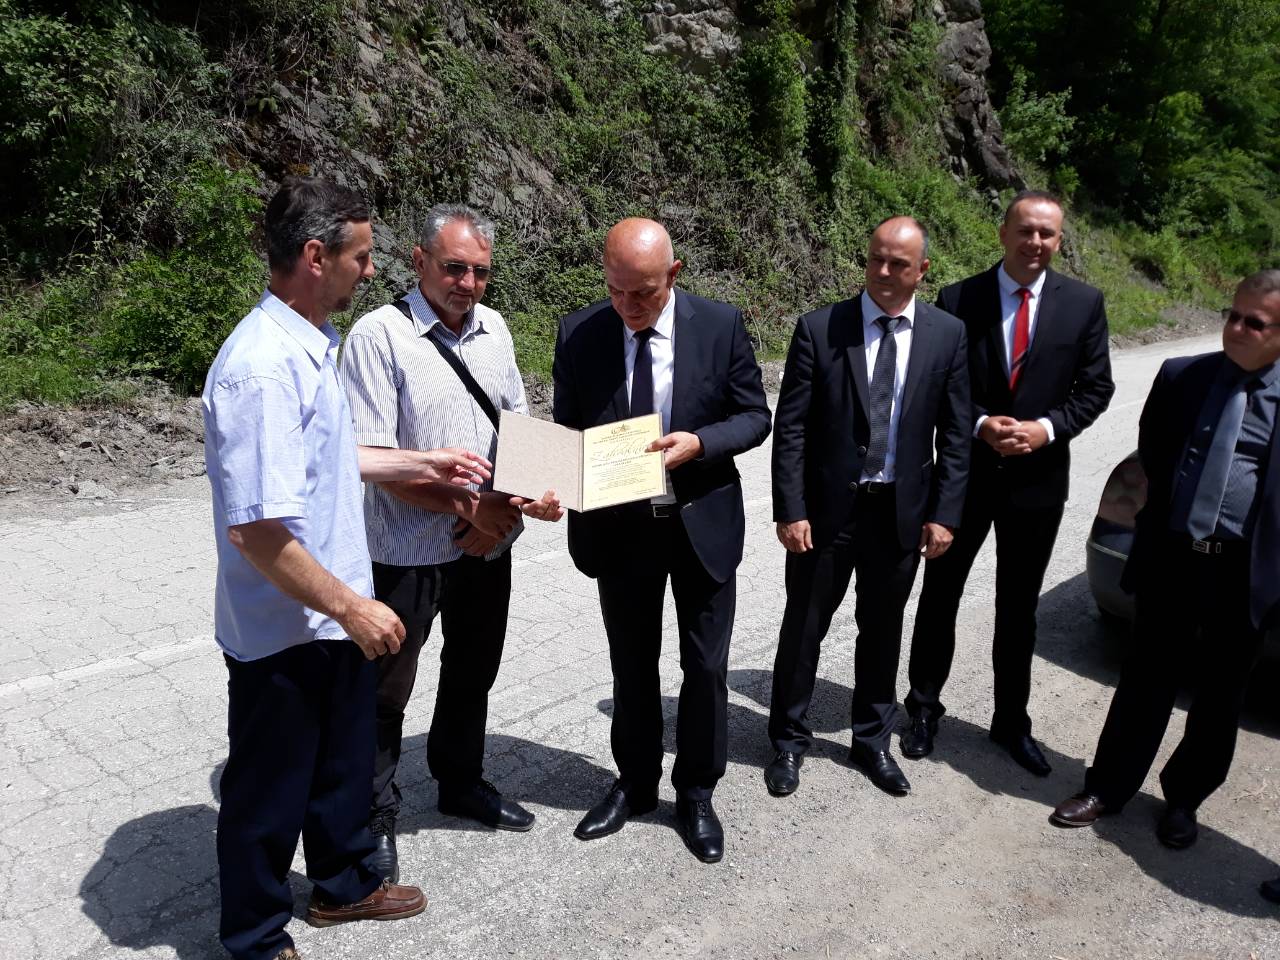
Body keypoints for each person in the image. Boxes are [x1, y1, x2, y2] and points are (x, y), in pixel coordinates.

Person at [203, 178, 492, 960]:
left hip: (329, 611)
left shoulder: (308, 344)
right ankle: (257, 936)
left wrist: (422, 461)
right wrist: (352, 608)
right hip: (288, 626)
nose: (370, 270)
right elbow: (258, 532)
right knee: (268, 792)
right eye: (360, 256)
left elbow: (332, 457)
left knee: (340, 767)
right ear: (314, 255)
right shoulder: (262, 369)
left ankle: (343, 884)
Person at [340, 204, 563, 884]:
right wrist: (472, 506)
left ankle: (460, 782)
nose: (467, 283)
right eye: (454, 267)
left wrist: (527, 499)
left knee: (473, 669)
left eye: (480, 272)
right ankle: (372, 817)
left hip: (486, 544)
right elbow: (374, 458)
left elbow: (518, 427)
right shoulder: (379, 336)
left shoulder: (496, 330)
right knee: (385, 690)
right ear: (419, 262)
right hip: (405, 550)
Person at [553, 217, 770, 862]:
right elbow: (567, 434)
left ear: (673, 274)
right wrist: (549, 481)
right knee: (631, 664)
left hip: (701, 521)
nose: (627, 306)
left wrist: (701, 442)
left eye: (643, 293)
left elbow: (754, 416)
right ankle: (636, 782)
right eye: (616, 290)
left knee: (704, 667)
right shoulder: (580, 332)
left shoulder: (720, 325)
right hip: (621, 529)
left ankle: (697, 792)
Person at [1050, 270, 1280, 859]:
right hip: (1174, 557)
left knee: (1221, 694)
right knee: (1145, 676)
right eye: (1232, 315)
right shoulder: (1183, 376)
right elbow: (1154, 453)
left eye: (1255, 323)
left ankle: (1184, 799)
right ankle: (1107, 787)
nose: (1237, 328)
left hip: (1241, 571)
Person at [901, 191, 1114, 775]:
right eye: (1025, 230)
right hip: (964, 477)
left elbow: (1096, 388)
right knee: (940, 596)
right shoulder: (958, 299)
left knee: (1018, 608)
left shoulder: (1084, 304)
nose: (1035, 242)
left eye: (1047, 233)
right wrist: (977, 424)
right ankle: (923, 709)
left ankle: (1011, 722)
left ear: (1059, 241)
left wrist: (1046, 429)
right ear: (1003, 233)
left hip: (1037, 484)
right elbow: (938, 382)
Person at [765, 216, 970, 798]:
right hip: (827, 513)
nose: (883, 271)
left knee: (882, 631)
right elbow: (792, 428)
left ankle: (871, 740)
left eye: (898, 263)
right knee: (803, 629)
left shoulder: (947, 335)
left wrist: (945, 513)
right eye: (876, 258)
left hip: (900, 512)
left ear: (921, 270)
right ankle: (788, 741)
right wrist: (790, 508)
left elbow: (956, 435)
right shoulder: (820, 328)